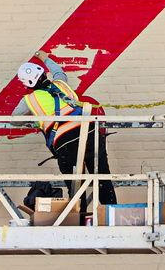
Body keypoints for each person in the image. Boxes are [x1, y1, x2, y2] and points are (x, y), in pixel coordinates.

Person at [12, 51, 117, 212]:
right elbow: (58, 71)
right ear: (42, 74)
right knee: (103, 178)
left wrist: (37, 118)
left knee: (75, 185)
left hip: (66, 142)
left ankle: (79, 221)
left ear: (26, 84)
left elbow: (14, 120)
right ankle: (112, 217)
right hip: (90, 132)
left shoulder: (29, 100)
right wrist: (44, 57)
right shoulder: (61, 83)